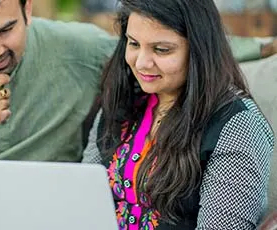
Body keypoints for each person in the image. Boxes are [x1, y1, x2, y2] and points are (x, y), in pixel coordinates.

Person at [0, 0, 271, 229]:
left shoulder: (79, 50)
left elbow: (186, 37)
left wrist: (266, 45)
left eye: (4, 30)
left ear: (29, 10)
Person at [83, 0, 274, 229]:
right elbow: (85, 199)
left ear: (199, 49)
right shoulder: (124, 98)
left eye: (161, 49)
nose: (142, 62)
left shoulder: (237, 125)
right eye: (134, 44)